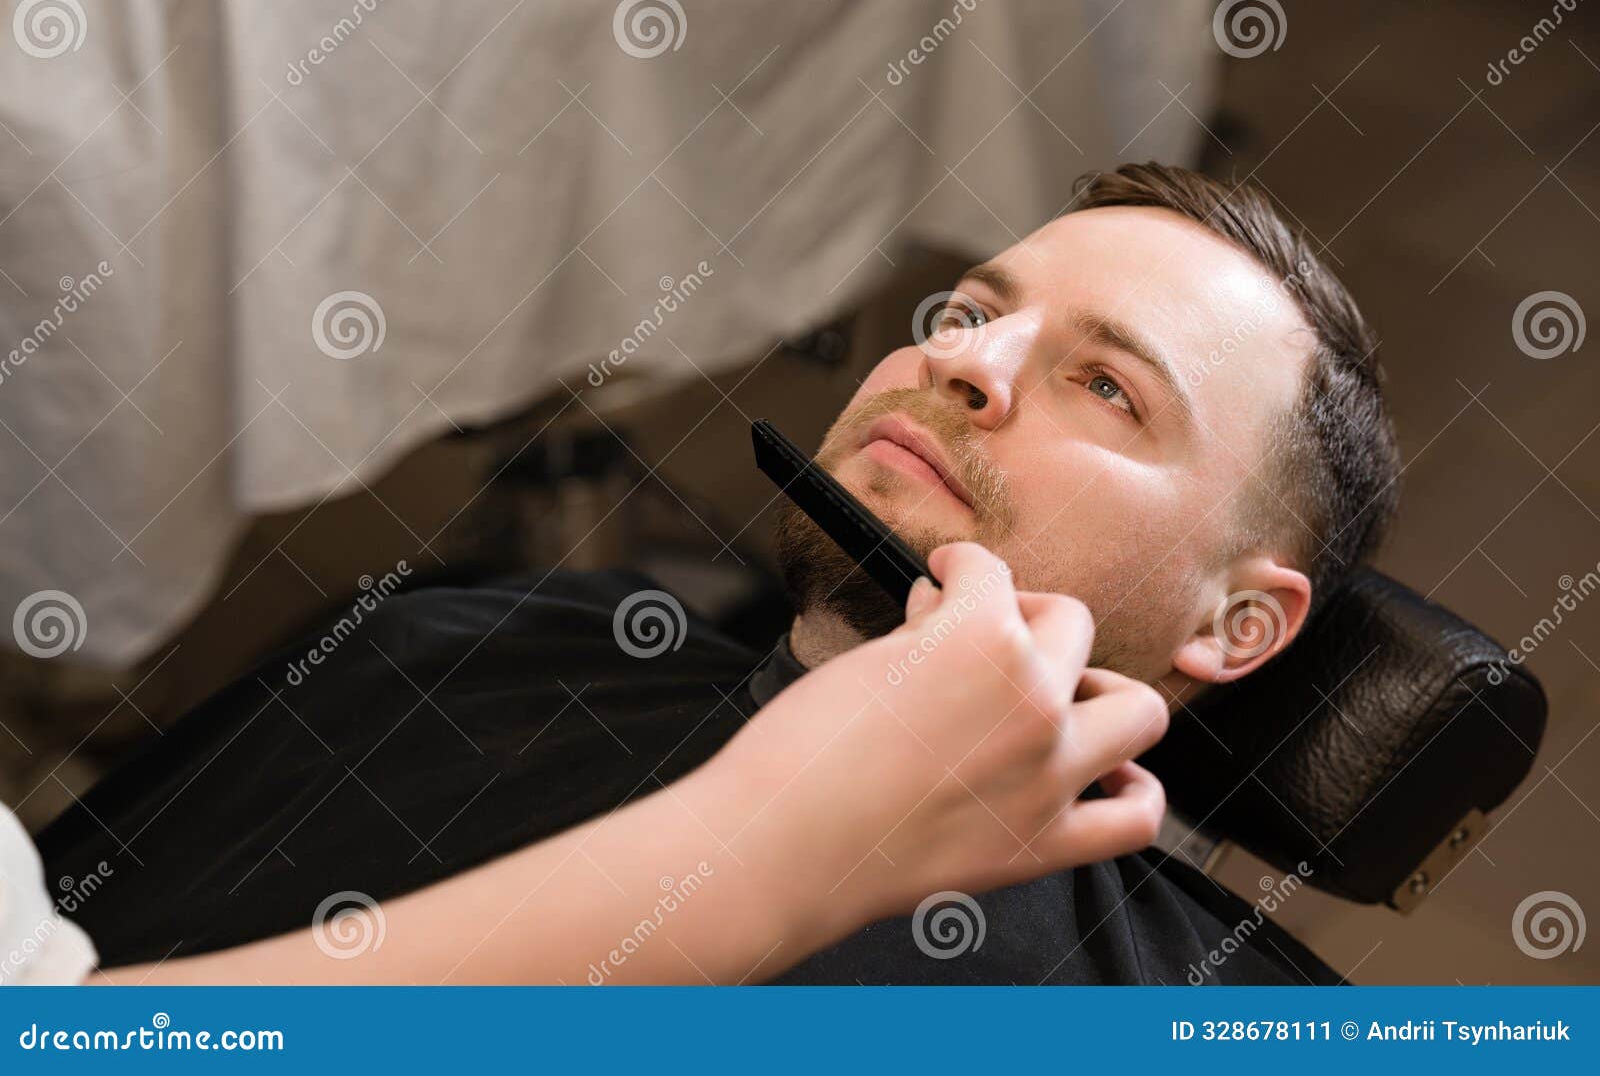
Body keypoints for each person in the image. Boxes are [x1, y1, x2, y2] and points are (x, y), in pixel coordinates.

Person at [31, 163, 1398, 984]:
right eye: (974, 314)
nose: (960, 362)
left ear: (1242, 621)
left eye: (1106, 384)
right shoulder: (452, 638)